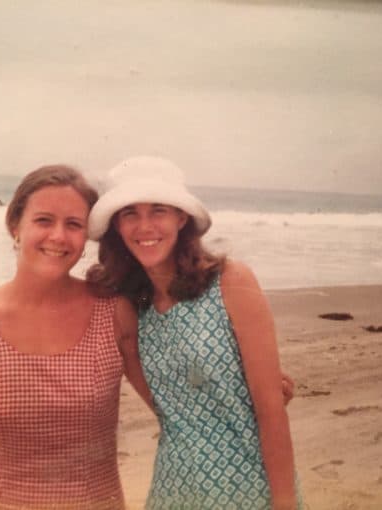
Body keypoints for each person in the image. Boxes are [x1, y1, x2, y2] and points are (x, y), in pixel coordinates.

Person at [0, 164, 151, 510]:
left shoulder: (114, 312)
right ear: (14, 226)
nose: (58, 236)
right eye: (44, 220)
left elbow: (173, 406)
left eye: (74, 224)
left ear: (87, 236)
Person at [85, 156, 301, 509]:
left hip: (249, 481)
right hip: (175, 484)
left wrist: (285, 504)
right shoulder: (128, 307)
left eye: (158, 210)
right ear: (117, 227)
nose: (145, 227)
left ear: (181, 217)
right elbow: (167, 412)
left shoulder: (231, 281)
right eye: (130, 214)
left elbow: (271, 412)